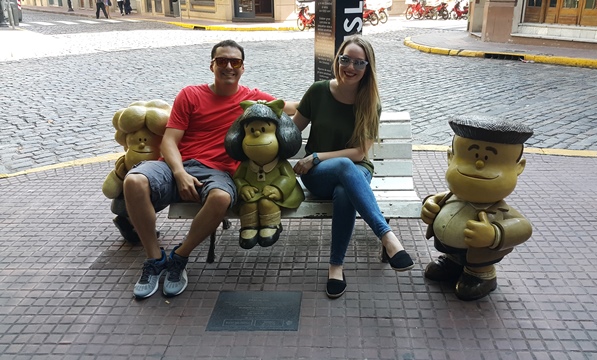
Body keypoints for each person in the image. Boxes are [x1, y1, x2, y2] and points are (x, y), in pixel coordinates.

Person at [123, 39, 297, 299]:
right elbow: (170, 141)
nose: (228, 66)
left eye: (234, 62)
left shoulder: (252, 100)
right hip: (177, 165)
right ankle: (154, 259)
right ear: (212, 65)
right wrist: (180, 172)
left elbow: (294, 107)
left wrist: (333, 90)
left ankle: (179, 257)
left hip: (218, 172)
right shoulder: (190, 95)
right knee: (134, 181)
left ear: (242, 68)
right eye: (222, 61)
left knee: (222, 197)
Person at [292, 36, 414, 299]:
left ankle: (336, 265)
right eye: (346, 59)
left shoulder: (370, 102)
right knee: (344, 171)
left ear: (367, 68)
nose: (350, 67)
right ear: (338, 59)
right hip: (318, 176)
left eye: (359, 62)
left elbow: (360, 152)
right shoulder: (318, 91)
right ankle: (387, 237)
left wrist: (315, 156)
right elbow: (293, 131)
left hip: (357, 170)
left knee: (345, 188)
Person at [421, 115, 533, 301]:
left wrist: (494, 234)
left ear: (518, 167)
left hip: (479, 254)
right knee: (451, 259)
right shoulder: (451, 196)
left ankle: (481, 275)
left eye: (489, 159)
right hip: (450, 247)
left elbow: (524, 227)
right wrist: (430, 204)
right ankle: (452, 263)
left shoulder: (500, 210)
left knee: (477, 267)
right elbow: (436, 199)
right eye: (470, 156)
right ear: (451, 157)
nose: (479, 164)